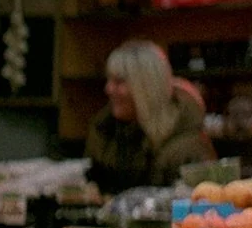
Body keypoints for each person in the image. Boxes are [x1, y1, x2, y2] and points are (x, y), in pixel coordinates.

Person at [85, 38, 209, 192]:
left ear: (145, 88)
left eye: (119, 82)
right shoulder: (105, 134)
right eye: (109, 80)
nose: (108, 89)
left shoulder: (186, 147)